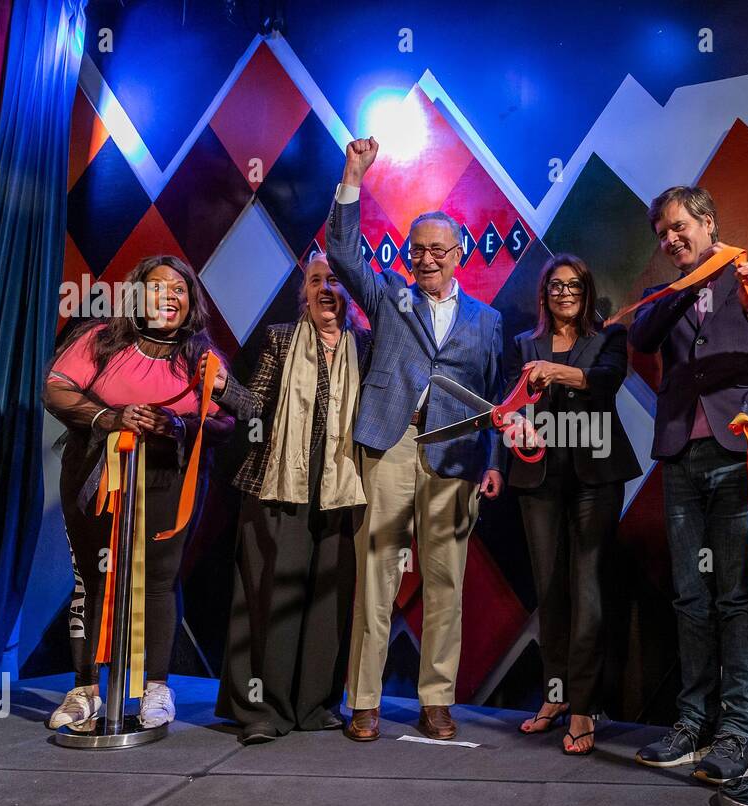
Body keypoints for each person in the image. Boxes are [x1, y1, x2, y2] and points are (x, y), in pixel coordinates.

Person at [326, 136, 504, 742]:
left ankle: (437, 701)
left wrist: (494, 459)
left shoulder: (489, 320)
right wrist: (353, 177)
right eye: (417, 250)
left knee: (445, 582)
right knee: (376, 574)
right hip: (391, 443)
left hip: (457, 454)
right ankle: (366, 701)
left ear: (459, 254)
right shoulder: (389, 295)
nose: (426, 259)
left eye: (437, 251)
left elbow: (497, 397)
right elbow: (343, 250)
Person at [628, 185, 748, 784]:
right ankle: (691, 722)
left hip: (741, 452)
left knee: (734, 596)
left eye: (678, 227)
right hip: (680, 456)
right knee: (689, 596)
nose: (669, 240)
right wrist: (690, 284)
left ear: (708, 219)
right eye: (662, 235)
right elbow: (642, 340)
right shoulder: (661, 297)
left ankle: (741, 731)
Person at [43, 254, 232, 730]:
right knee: (92, 577)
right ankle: (85, 689)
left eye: (179, 288)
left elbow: (231, 418)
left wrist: (177, 424)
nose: (169, 295)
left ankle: (154, 688)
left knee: (160, 581)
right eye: (157, 286)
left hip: (169, 480)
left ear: (191, 301)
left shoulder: (201, 354)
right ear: (136, 294)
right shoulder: (100, 339)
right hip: (94, 477)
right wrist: (110, 418)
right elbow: (56, 387)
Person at [209, 251, 372, 745]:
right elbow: (256, 404)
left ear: (349, 293)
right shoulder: (281, 339)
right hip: (278, 483)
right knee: (271, 596)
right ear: (304, 292)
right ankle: (262, 708)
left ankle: (314, 704)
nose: (326, 289)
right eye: (316, 280)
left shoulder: (363, 344)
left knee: (328, 599)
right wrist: (221, 388)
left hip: (341, 488)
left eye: (336, 281)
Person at [506, 255, 641, 755]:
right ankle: (555, 695)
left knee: (587, 592)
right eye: (555, 286)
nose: (564, 293)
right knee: (549, 590)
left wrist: (554, 372)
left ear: (587, 291)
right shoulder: (524, 343)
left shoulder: (609, 338)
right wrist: (512, 422)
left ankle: (583, 707)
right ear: (544, 294)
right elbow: (510, 402)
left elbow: (603, 383)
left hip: (596, 475)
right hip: (538, 475)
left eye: (573, 285)